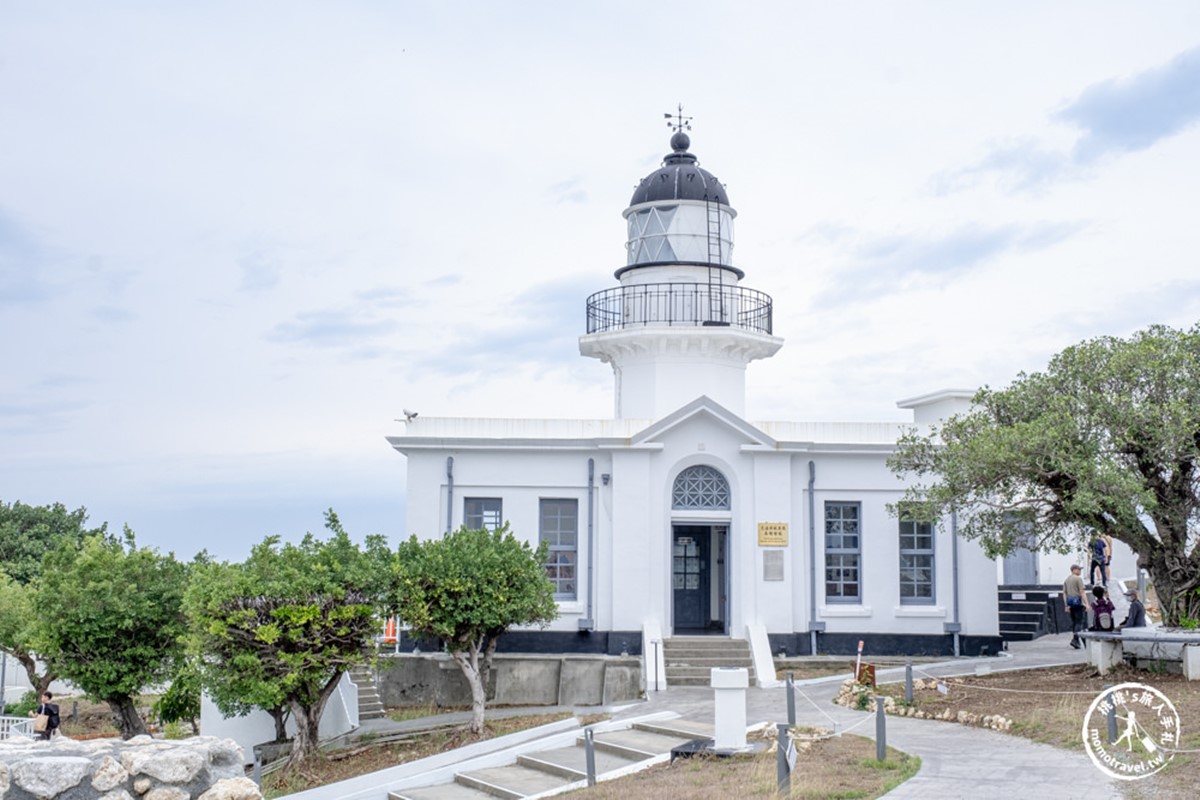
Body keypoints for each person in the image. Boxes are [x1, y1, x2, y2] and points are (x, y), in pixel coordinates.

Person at [1063, 564, 1089, 648]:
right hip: (1078, 603)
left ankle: (1076, 640)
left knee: (1074, 622)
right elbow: (1082, 592)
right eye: (1079, 569)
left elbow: (1064, 593)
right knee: (1079, 622)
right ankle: (1075, 639)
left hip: (1071, 603)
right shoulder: (1078, 579)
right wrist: (1087, 604)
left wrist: (1066, 605)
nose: (1080, 571)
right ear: (1074, 570)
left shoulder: (1067, 580)